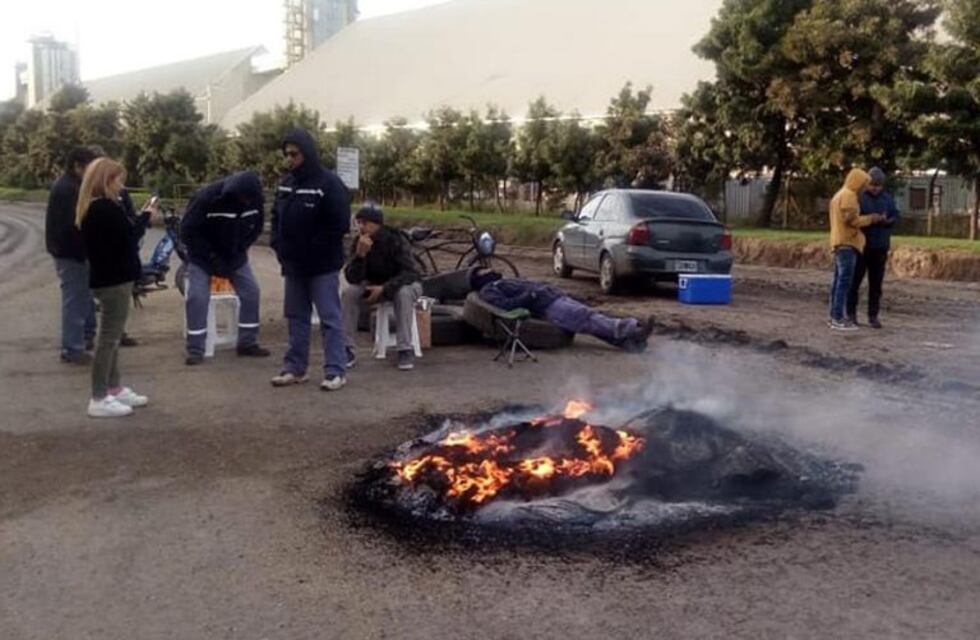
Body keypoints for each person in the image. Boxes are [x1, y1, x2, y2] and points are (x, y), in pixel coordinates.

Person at [270, 128, 351, 391]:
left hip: (322, 266)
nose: (289, 159)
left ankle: (335, 371)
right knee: (296, 317)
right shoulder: (286, 183)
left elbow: (338, 225)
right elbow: (276, 217)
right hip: (293, 266)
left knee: (329, 318)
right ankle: (295, 368)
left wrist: (312, 249)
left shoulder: (329, 184)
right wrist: (278, 246)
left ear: (307, 153)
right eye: (286, 154)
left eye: (294, 154)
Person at [76, 158, 149, 418]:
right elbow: (130, 237)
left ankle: (113, 388)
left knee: (113, 337)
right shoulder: (105, 209)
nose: (122, 185)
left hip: (110, 278)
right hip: (113, 281)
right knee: (108, 340)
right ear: (106, 181)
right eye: (118, 180)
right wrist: (145, 217)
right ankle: (98, 396)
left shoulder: (95, 207)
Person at [180, 171, 270, 365]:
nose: (245, 202)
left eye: (249, 199)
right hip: (202, 257)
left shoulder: (255, 201)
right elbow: (188, 232)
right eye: (242, 198)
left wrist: (240, 249)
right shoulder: (205, 198)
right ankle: (196, 349)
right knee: (197, 297)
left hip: (234, 256)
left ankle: (247, 343)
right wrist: (212, 257)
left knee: (251, 292)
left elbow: (256, 228)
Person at [476, 273, 654, 352]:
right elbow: (506, 305)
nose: (489, 269)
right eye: (483, 271)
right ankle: (632, 330)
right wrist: (529, 296)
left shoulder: (501, 282)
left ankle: (629, 344)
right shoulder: (488, 291)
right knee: (587, 317)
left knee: (589, 321)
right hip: (547, 306)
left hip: (553, 296)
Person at [342, 205, 422, 371]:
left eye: (364, 223)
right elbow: (352, 278)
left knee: (404, 294)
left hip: (402, 284)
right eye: (359, 223)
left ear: (376, 224)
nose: (361, 227)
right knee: (349, 293)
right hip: (373, 284)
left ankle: (405, 349)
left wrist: (385, 288)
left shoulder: (395, 239)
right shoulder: (359, 241)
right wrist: (360, 255)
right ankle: (347, 348)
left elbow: (410, 272)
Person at [46, 146, 99, 364]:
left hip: (72, 252)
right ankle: (72, 349)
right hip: (70, 254)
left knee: (83, 298)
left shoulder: (71, 185)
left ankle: (84, 337)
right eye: (90, 167)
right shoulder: (68, 189)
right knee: (75, 301)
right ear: (78, 166)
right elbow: (74, 226)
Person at [827, 168, 885, 332]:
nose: (865, 188)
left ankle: (834, 316)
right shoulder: (849, 196)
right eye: (864, 184)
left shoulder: (839, 194)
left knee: (838, 282)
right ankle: (838, 318)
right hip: (847, 243)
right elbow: (851, 220)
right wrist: (871, 218)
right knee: (843, 283)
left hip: (839, 242)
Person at [847, 167, 899, 329]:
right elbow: (854, 219)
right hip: (862, 246)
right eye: (873, 185)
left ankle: (873, 315)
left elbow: (896, 215)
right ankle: (851, 314)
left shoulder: (888, 199)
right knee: (854, 282)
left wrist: (888, 221)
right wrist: (870, 219)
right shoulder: (859, 197)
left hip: (880, 246)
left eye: (879, 185)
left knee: (876, 284)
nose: (875, 188)